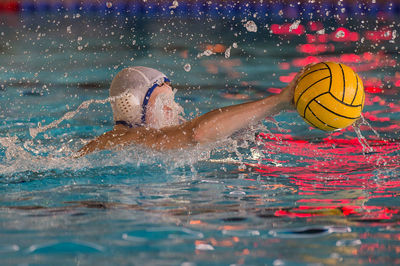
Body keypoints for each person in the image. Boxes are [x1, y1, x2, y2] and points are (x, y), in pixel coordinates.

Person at [78, 65, 308, 156]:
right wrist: (279, 102)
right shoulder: (132, 136)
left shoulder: (113, 142)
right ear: (132, 106)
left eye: (173, 100)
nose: (174, 108)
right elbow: (198, 133)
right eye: (164, 102)